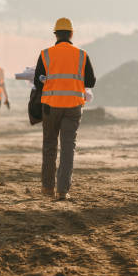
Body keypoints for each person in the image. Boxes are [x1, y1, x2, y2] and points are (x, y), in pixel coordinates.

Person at [34, 18, 96, 200]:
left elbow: (38, 82)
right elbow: (91, 81)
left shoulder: (45, 54)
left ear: (55, 34)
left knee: (49, 146)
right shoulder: (82, 55)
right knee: (68, 147)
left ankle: (47, 188)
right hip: (73, 107)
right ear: (71, 34)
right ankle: (62, 190)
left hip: (51, 107)